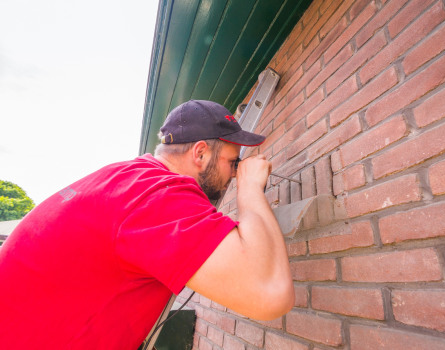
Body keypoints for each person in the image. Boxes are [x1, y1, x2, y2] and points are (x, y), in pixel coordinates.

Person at [0, 100, 294, 349]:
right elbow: (269, 293)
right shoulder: (155, 194)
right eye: (233, 162)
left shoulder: (127, 178)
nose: (234, 173)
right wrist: (251, 188)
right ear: (201, 154)